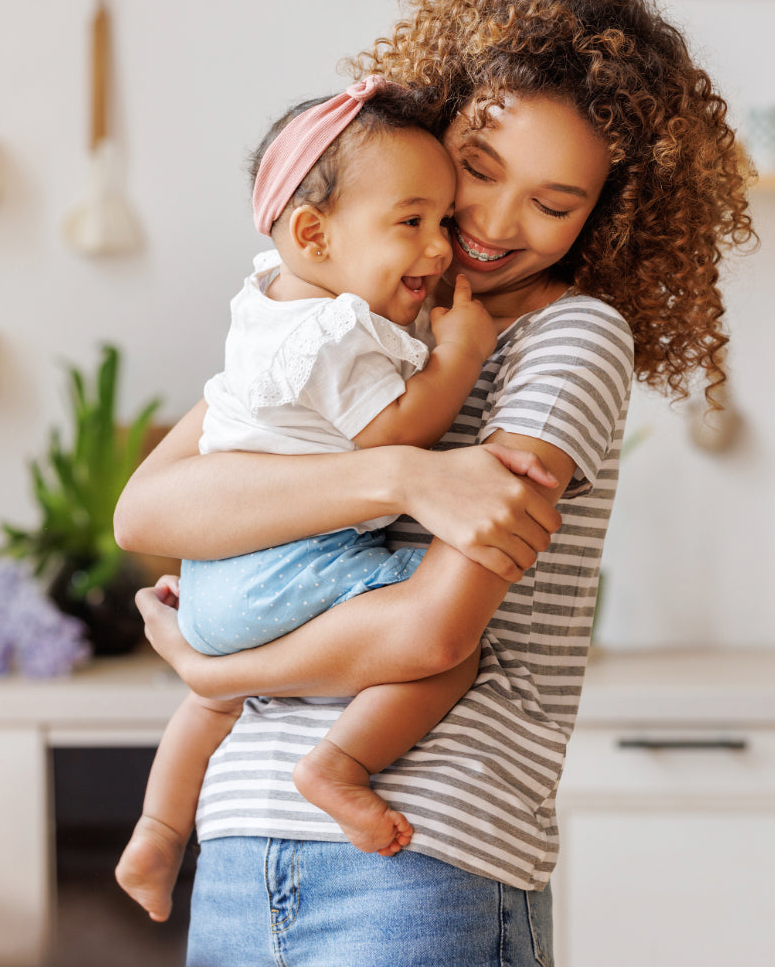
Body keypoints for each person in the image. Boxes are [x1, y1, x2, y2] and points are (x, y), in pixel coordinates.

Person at [114, 0, 755, 966]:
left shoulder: (570, 339)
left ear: (609, 214)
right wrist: (403, 475)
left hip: (423, 859)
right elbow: (148, 513)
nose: (497, 227)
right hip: (240, 848)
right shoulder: (346, 318)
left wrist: (211, 666)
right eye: (480, 170)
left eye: (554, 204)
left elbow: (429, 631)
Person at [115, 76, 503, 922]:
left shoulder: (268, 306)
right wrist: (461, 356)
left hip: (217, 577)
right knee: (451, 645)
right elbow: (394, 434)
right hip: (288, 566)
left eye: (444, 222)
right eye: (411, 223)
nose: (440, 250)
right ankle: (339, 765)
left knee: (212, 696)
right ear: (312, 233)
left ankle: (155, 829)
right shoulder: (336, 332)